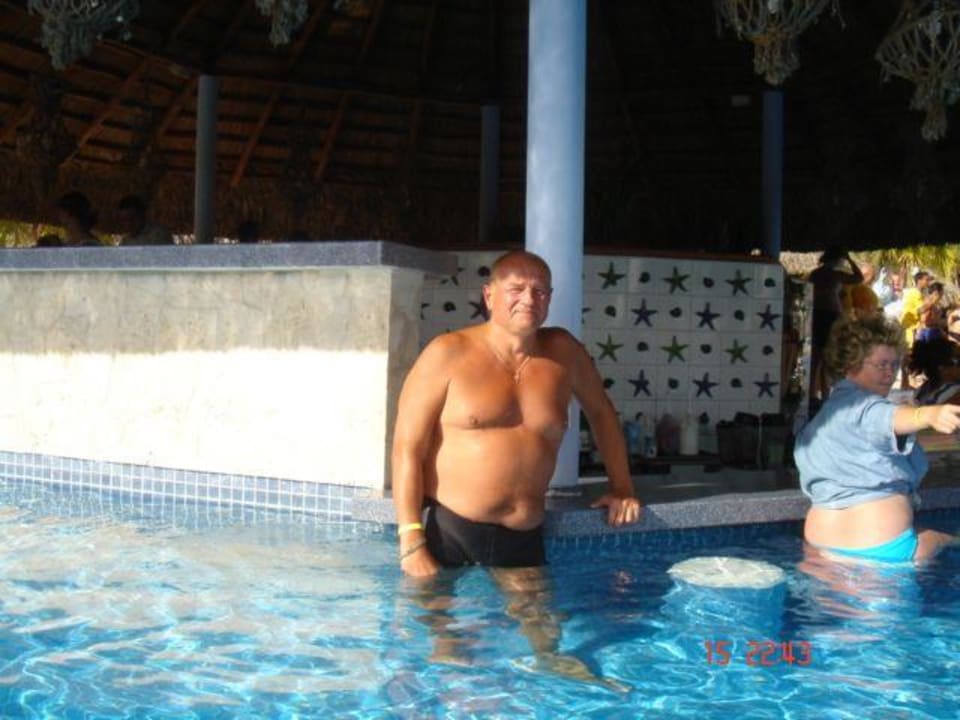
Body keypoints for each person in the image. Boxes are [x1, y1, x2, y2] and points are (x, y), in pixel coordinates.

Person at [392, 250, 642, 577]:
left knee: (540, 613)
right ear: (489, 295)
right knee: (436, 612)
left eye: (540, 291)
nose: (529, 299)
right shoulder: (447, 352)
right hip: (449, 532)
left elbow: (602, 414)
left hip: (524, 536)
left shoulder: (564, 353)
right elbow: (407, 447)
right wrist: (411, 538)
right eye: (516, 289)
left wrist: (622, 488)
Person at [794, 314, 960, 564]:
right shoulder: (864, 407)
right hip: (883, 550)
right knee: (943, 540)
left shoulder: (829, 414)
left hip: (820, 550)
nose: (890, 374)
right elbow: (886, 417)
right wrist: (928, 414)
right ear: (851, 364)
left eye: (895, 365)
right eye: (881, 365)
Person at [806, 246, 863, 410]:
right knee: (826, 356)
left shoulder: (816, 274)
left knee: (817, 356)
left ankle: (814, 393)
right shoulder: (834, 274)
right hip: (829, 315)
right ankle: (823, 394)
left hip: (819, 314)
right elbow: (858, 278)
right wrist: (850, 259)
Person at [898, 270, 933, 347]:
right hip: (911, 329)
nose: (928, 282)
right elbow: (920, 310)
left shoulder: (915, 292)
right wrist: (932, 301)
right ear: (919, 281)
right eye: (926, 280)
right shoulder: (916, 293)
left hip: (911, 328)